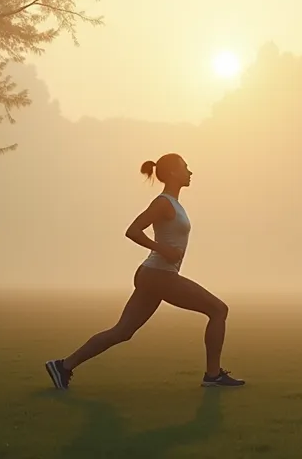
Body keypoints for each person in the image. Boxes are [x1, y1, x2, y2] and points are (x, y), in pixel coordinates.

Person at [44, 153, 244, 389]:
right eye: (185, 167)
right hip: (159, 275)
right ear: (172, 172)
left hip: (154, 276)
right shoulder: (163, 203)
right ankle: (213, 376)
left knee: (122, 331)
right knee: (218, 309)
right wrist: (163, 249)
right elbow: (133, 230)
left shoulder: (174, 204)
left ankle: (63, 366)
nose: (190, 172)